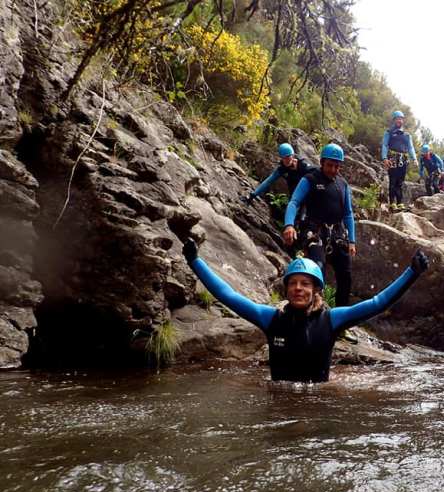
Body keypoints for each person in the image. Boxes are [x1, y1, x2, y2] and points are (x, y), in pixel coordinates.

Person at [183, 239, 429, 383]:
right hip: (280, 400)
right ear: (286, 287)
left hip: (318, 400)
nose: (298, 288)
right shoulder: (271, 318)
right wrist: (195, 261)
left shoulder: (332, 319)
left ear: (316, 290)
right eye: (293, 283)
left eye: (305, 283)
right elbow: (228, 295)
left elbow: (377, 303)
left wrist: (412, 273)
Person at [281, 143, 355, 312]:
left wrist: (352, 241)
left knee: (346, 277)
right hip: (314, 231)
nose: (333, 169)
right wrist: (289, 225)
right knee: (316, 269)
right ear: (322, 162)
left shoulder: (343, 184)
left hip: (337, 233)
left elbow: (348, 214)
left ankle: (340, 319)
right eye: (330, 165)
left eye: (337, 166)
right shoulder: (310, 179)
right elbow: (294, 202)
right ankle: (313, 312)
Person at [243, 143, 315, 203]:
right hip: (295, 197)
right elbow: (268, 182)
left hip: (309, 195)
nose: (286, 160)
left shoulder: (303, 166)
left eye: (288, 157)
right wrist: (253, 195)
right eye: (284, 158)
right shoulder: (283, 169)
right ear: (281, 158)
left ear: (292, 156)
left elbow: (316, 175)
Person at [381, 110, 417, 211]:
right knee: (392, 181)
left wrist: (414, 159)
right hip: (392, 159)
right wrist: (384, 158)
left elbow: (410, 148)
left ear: (403, 121)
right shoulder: (389, 133)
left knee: (400, 183)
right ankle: (392, 202)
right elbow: (384, 145)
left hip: (403, 160)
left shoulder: (407, 135)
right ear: (394, 120)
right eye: (397, 119)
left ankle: (400, 202)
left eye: (401, 119)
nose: (399, 121)